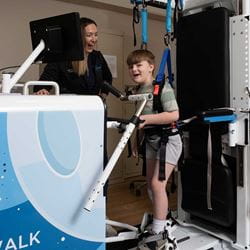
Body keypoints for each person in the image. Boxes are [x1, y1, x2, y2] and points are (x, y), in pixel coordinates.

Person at [127, 49, 182, 249]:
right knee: (150, 185)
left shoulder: (161, 87)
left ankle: (159, 232)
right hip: (150, 141)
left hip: (168, 141)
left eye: (138, 65)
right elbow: (139, 120)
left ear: (151, 66)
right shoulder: (138, 92)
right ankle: (161, 219)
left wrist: (146, 120)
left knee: (157, 185)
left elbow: (174, 114)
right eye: (131, 66)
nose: (134, 69)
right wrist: (135, 142)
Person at [34, 17, 112, 100]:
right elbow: (42, 83)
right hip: (71, 107)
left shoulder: (97, 56)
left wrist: (103, 96)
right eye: (89, 35)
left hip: (93, 107)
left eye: (96, 35)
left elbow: (108, 78)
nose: (94, 39)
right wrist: (42, 90)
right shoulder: (62, 58)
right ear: (78, 37)